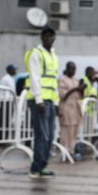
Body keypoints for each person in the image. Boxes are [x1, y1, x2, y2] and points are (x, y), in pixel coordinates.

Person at [26, 26, 59, 179]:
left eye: (51, 36)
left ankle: (42, 166)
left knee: (50, 135)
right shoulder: (36, 53)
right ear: (41, 37)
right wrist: (38, 99)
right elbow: (34, 77)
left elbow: (54, 80)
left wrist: (56, 101)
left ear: (54, 38)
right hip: (39, 100)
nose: (48, 38)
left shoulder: (53, 55)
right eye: (46, 36)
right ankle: (35, 168)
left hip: (50, 100)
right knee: (42, 135)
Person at [58, 61, 83, 159]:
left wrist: (81, 89)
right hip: (67, 108)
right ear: (67, 68)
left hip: (76, 108)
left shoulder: (75, 80)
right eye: (72, 69)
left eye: (74, 69)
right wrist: (75, 89)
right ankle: (65, 152)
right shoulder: (62, 79)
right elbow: (63, 95)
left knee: (74, 131)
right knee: (66, 131)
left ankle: (71, 151)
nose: (73, 71)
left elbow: (80, 95)